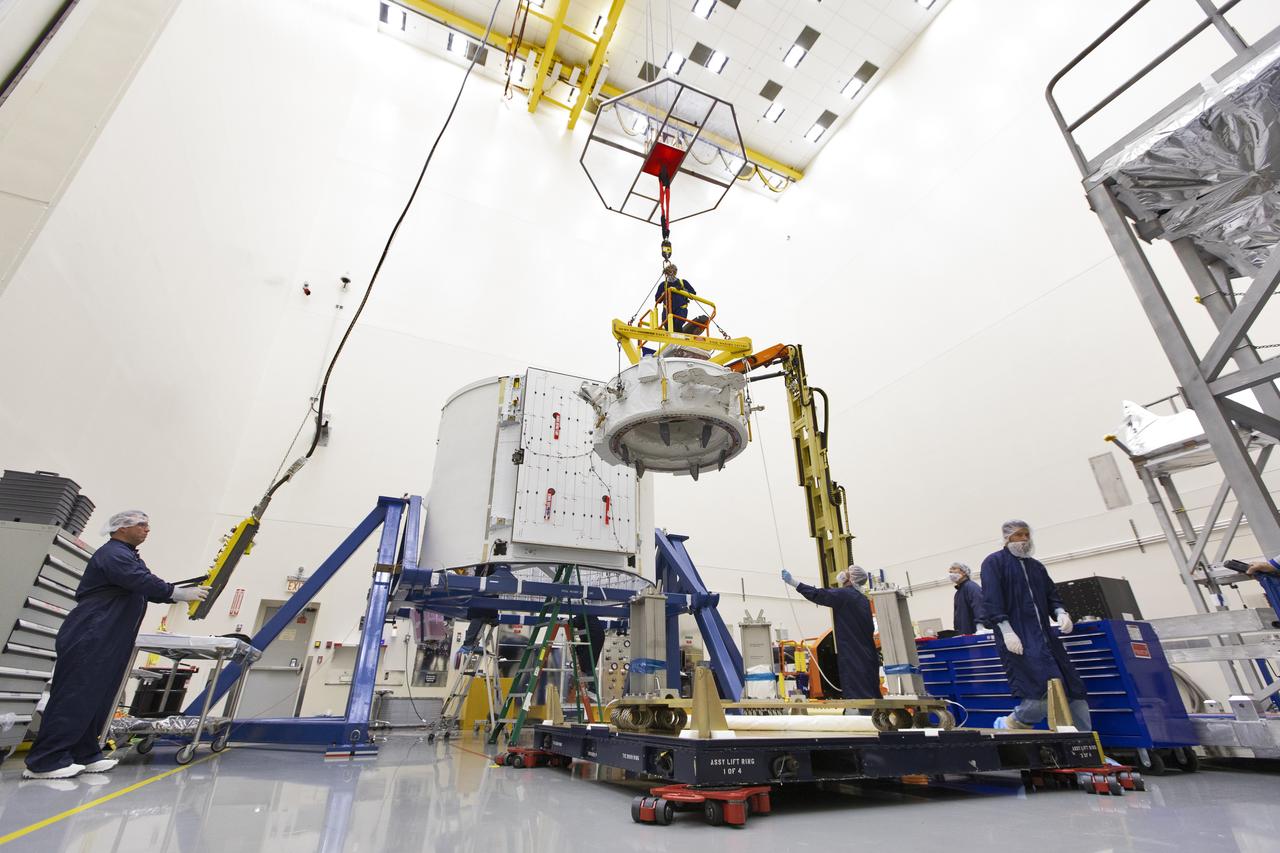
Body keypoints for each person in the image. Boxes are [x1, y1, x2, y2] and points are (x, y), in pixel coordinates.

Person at [23, 511, 208, 779]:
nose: (147, 529)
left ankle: (83, 753)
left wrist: (175, 595)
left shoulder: (129, 555)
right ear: (121, 528)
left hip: (112, 636)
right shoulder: (113, 553)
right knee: (77, 694)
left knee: (99, 697)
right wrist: (174, 593)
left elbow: (143, 587)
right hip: (93, 632)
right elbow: (139, 581)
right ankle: (45, 761)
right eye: (141, 525)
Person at [980, 520, 1091, 731]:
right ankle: (1012, 722)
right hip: (1019, 637)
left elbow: (1051, 595)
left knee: (1074, 690)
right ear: (1007, 538)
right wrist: (1006, 630)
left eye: (1026, 535)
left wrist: (1060, 612)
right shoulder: (994, 563)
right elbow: (992, 599)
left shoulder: (1036, 567)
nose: (1024, 539)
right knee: (1039, 692)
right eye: (1018, 535)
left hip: (1047, 638)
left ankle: (1087, 743)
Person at [781, 565, 880, 701]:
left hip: (854, 658)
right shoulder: (863, 600)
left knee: (861, 700)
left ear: (851, 578)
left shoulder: (845, 595)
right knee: (870, 695)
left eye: (847, 571)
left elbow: (819, 595)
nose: (843, 572)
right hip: (867, 658)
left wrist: (794, 583)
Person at [654, 264, 699, 333]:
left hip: (680, 309)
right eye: (668, 272)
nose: (671, 274)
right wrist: (663, 294)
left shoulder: (683, 282)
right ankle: (672, 342)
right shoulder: (663, 285)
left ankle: (680, 340)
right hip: (667, 310)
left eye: (672, 272)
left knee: (678, 323)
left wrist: (683, 289)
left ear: (675, 272)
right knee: (667, 326)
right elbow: (657, 300)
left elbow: (693, 294)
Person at [950, 562, 984, 634]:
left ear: (964, 572)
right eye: (950, 571)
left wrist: (980, 627)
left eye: (954, 569)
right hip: (964, 634)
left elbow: (979, 606)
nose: (950, 572)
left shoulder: (971, 587)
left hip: (975, 634)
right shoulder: (958, 593)